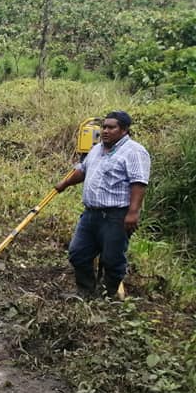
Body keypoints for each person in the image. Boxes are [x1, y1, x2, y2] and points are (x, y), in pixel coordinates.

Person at [54, 110, 150, 299]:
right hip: (91, 214)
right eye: (104, 127)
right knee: (78, 253)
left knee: (112, 259)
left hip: (116, 216)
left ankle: (108, 296)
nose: (105, 131)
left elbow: (138, 183)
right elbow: (83, 170)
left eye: (111, 127)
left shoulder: (134, 152)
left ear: (124, 130)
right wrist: (64, 183)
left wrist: (133, 213)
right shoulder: (97, 149)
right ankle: (85, 291)